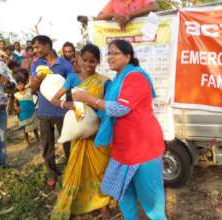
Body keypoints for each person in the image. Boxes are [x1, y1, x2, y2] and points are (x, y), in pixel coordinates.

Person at [72, 39, 166, 220]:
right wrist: (85, 127)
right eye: (108, 53)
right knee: (124, 194)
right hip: (122, 149)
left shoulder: (135, 76)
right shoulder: (116, 81)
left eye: (114, 53)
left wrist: (88, 98)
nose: (110, 57)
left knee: (152, 202)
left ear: (128, 56)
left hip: (142, 149)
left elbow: (120, 108)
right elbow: (106, 113)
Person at [50, 43, 111, 219]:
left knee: (100, 168)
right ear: (79, 59)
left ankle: (102, 204)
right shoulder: (71, 78)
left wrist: (91, 105)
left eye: (92, 61)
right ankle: (80, 200)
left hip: (99, 130)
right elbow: (55, 99)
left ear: (98, 62)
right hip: (80, 130)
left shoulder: (105, 81)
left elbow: (107, 107)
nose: (88, 64)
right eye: (85, 60)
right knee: (80, 167)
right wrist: (74, 106)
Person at [30, 35, 73, 188]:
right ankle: (52, 173)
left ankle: (71, 172)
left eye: (37, 47)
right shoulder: (36, 64)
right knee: (47, 144)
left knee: (68, 143)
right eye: (33, 48)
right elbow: (33, 88)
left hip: (62, 111)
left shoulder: (65, 65)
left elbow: (72, 86)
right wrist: (37, 80)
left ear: (47, 45)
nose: (35, 51)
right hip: (44, 112)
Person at [14, 74, 39, 145]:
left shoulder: (29, 90)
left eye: (20, 84)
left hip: (31, 111)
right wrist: (16, 108)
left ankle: (38, 138)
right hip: (22, 113)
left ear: (24, 84)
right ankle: (27, 141)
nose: (19, 86)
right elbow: (15, 103)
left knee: (34, 127)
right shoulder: (16, 94)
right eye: (17, 85)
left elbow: (37, 94)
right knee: (24, 129)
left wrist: (35, 104)